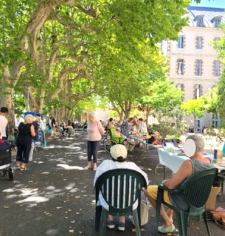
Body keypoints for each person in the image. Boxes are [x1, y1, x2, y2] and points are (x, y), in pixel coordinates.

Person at [143, 135, 213, 234]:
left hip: (183, 201)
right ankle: (169, 216)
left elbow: (170, 185)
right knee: (176, 186)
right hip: (200, 202)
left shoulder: (189, 164)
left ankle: (167, 223)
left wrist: (164, 182)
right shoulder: (210, 163)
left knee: (149, 190)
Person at [94, 144, 148, 231]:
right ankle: (122, 221)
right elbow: (145, 182)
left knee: (107, 194)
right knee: (125, 194)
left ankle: (109, 219)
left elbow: (96, 184)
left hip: (108, 203)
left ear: (111, 155)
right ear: (126, 155)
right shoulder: (132, 166)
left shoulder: (105, 164)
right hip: (130, 204)